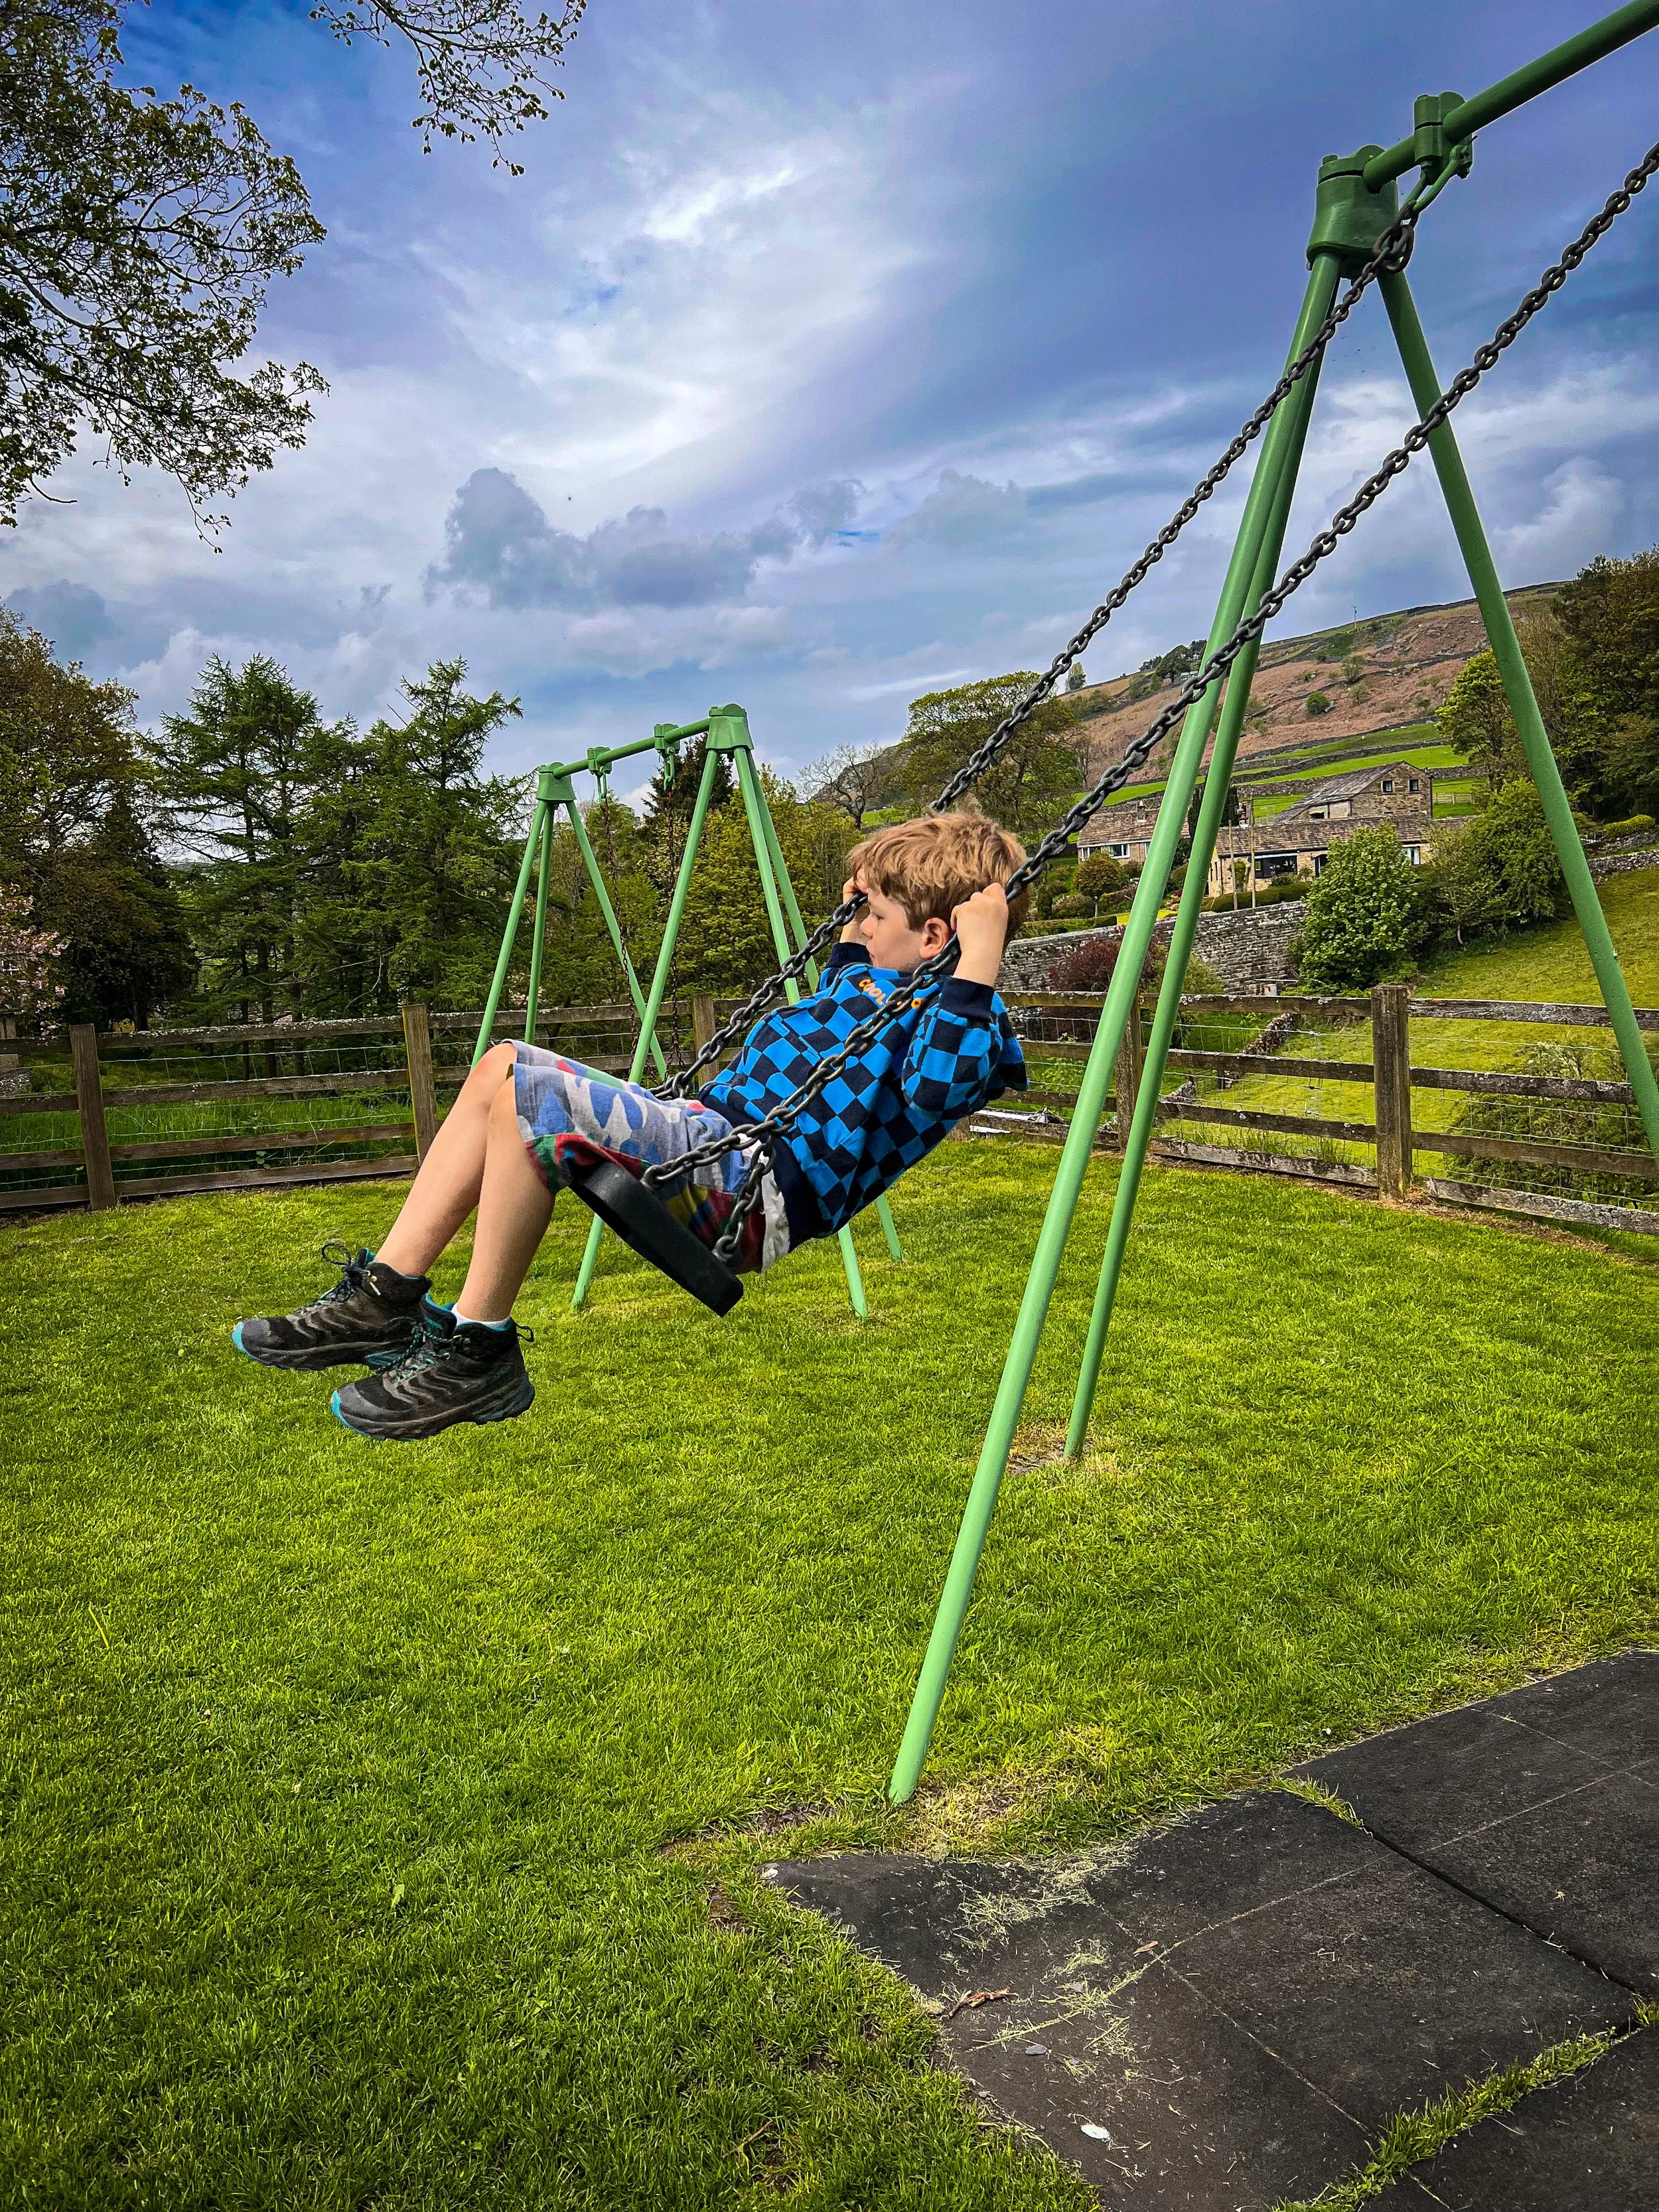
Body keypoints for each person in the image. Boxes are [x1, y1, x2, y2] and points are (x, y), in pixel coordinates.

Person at [233, 811, 1029, 1440]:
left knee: (525, 1096)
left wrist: (978, 958)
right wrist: (867, 897)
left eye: (872, 915)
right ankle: (387, 1295)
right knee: (500, 1066)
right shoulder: (869, 983)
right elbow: (858, 960)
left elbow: (937, 1088)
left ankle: (479, 1350)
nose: (851, 928)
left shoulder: (963, 1021)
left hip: (750, 1188)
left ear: (934, 939)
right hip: (710, 1139)